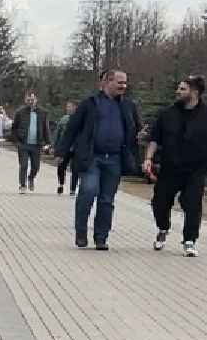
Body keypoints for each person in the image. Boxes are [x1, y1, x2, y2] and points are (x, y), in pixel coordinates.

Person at [62, 69, 143, 250]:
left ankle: (101, 237)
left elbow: (135, 129)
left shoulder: (128, 105)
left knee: (107, 200)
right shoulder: (90, 104)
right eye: (119, 82)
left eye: (125, 83)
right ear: (107, 82)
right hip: (92, 157)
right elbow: (72, 129)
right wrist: (61, 152)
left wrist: (140, 135)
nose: (123, 86)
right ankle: (81, 232)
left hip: (114, 159)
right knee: (88, 192)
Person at [139, 75, 207, 256]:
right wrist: (148, 159)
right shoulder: (168, 113)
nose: (178, 91)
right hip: (170, 167)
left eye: (183, 89)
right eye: (179, 88)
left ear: (195, 92)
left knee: (192, 205)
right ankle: (163, 227)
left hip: (196, 169)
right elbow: (155, 139)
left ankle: (189, 240)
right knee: (159, 202)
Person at [8, 92, 51, 191]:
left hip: (36, 144)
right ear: (25, 101)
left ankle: (31, 178)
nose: (30, 102)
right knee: (23, 165)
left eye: (32, 99)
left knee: (35, 166)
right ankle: (22, 185)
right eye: (28, 100)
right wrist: (16, 142)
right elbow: (14, 128)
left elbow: (45, 128)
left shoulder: (43, 113)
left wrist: (47, 142)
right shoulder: (20, 112)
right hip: (23, 144)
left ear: (36, 100)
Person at [54, 100, 80, 195]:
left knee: (75, 169)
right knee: (61, 167)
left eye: (70, 107)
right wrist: (55, 147)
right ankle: (61, 184)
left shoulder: (79, 120)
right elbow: (57, 133)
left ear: (75, 108)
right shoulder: (63, 120)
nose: (68, 109)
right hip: (65, 148)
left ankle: (73, 189)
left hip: (76, 148)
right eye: (67, 107)